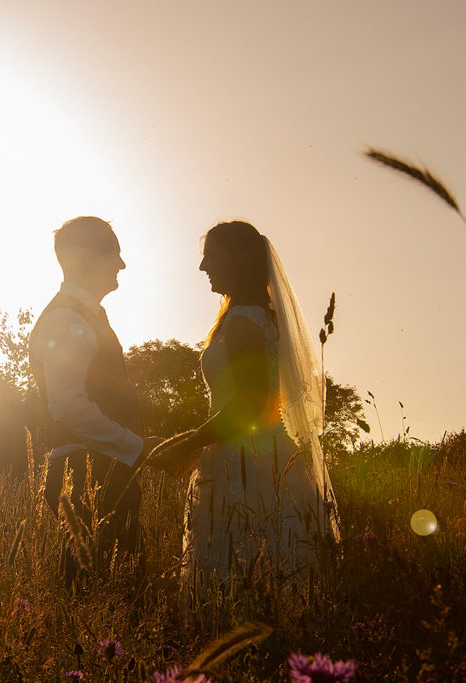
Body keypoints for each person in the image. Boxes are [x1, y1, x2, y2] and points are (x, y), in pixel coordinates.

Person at [145, 220, 341, 622]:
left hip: (244, 462)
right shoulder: (256, 319)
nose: (203, 267)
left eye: (211, 255)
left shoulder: (244, 324)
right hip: (262, 455)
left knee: (241, 566)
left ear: (237, 258)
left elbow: (254, 405)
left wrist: (190, 441)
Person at [28, 216, 157, 590]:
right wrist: (138, 447)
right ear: (85, 258)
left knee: (118, 593)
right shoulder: (66, 318)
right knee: (101, 601)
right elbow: (68, 406)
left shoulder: (86, 314)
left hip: (103, 472)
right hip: (85, 476)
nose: (122, 264)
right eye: (114, 253)